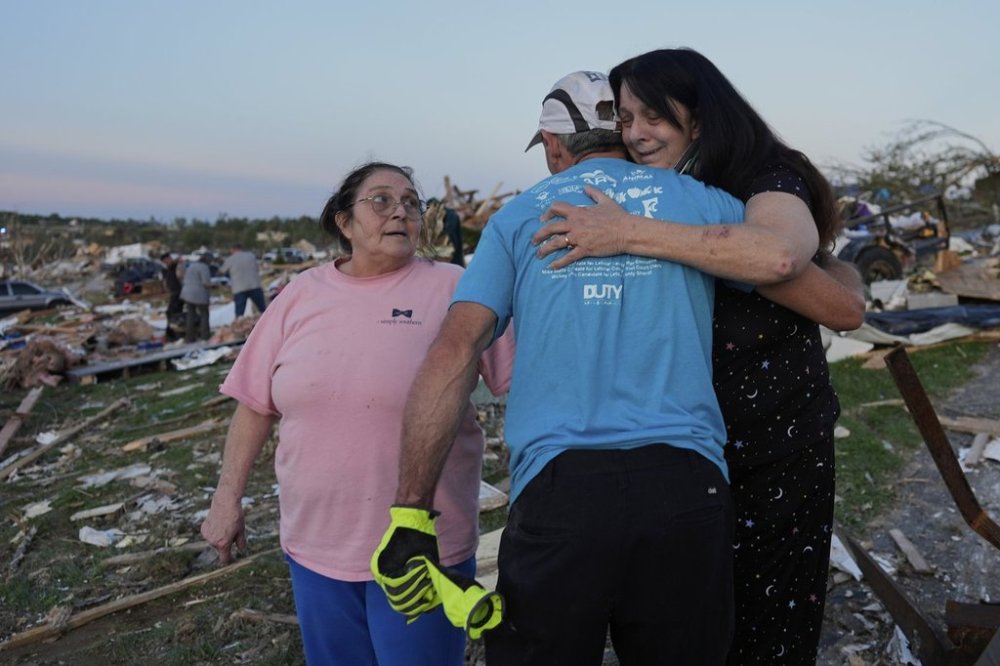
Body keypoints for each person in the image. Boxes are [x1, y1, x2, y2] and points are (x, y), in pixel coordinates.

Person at [374, 71, 753, 665]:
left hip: (560, 492)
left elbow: (454, 354)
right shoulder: (699, 201)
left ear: (553, 145)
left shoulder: (518, 218)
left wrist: (410, 513)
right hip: (686, 485)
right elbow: (790, 268)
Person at [531, 48, 866, 664]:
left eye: (652, 116)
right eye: (625, 118)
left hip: (771, 447)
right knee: (689, 632)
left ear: (701, 115)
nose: (636, 134)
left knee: (765, 624)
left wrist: (626, 231)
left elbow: (787, 265)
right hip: (683, 452)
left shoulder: (762, 177)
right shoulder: (675, 192)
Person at [200, 162, 513, 666]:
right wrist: (226, 497)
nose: (401, 212)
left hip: (421, 552)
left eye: (412, 202)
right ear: (344, 222)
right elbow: (255, 404)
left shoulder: (457, 288)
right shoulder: (300, 295)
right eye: (382, 200)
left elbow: (521, 384)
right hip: (314, 546)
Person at [219, 243, 267, 317]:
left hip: (239, 288)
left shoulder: (230, 259)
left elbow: (221, 271)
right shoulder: (251, 256)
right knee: (263, 310)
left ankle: (239, 325)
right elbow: (257, 269)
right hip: (254, 285)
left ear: (233, 249)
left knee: (239, 314)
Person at [180, 253, 213, 343]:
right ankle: (205, 336)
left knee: (190, 315)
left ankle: (189, 337)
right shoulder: (204, 267)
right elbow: (205, 283)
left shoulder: (192, 266)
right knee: (204, 314)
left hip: (187, 293)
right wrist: (214, 286)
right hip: (198, 294)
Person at [160, 252, 183, 325]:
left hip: (178, 292)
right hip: (173, 293)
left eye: (166, 261)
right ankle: (173, 329)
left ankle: (175, 329)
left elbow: (178, 260)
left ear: (169, 258)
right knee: (170, 312)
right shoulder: (167, 269)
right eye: (164, 262)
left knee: (174, 312)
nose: (166, 263)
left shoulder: (175, 265)